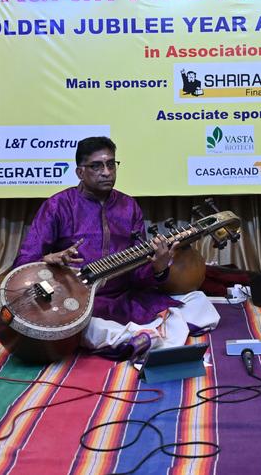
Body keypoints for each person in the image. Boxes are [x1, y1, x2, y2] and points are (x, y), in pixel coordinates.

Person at [13, 136, 219, 358]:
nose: (106, 172)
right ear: (80, 172)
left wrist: (159, 269)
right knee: (85, 327)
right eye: (96, 166)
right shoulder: (58, 206)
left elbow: (138, 275)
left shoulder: (128, 206)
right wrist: (47, 259)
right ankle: (140, 337)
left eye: (111, 164)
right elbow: (24, 262)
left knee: (199, 303)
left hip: (123, 297)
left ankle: (137, 338)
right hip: (75, 301)